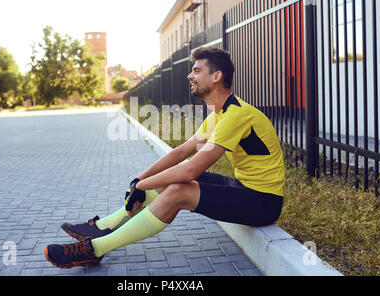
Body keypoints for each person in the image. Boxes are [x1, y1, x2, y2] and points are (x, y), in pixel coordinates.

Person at [44, 47, 286, 268]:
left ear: (216, 76)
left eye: (196, 71)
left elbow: (190, 170)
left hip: (263, 202)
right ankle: (101, 228)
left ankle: (94, 249)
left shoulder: (236, 115)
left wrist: (142, 185)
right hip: (244, 187)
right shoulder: (218, 115)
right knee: (167, 180)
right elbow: (182, 151)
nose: (190, 76)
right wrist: (139, 179)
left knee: (178, 190)